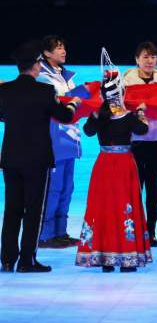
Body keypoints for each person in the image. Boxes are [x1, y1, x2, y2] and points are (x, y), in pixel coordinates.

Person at [1, 40, 81, 273]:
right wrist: (74, 104)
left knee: (12, 210)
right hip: (37, 159)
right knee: (33, 210)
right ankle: (27, 260)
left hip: (10, 157)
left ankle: (7, 260)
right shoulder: (44, 91)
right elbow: (65, 117)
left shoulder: (4, 90)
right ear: (36, 65)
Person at [75, 69, 152, 273]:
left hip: (104, 164)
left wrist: (94, 113)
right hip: (124, 163)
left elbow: (88, 131)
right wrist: (141, 113)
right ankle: (127, 258)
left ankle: (105, 258)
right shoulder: (128, 116)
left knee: (104, 207)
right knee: (125, 206)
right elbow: (143, 129)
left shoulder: (98, 115)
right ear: (121, 93)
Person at [37, 35, 90, 249]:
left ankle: (61, 232)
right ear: (46, 53)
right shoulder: (41, 75)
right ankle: (45, 235)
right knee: (53, 188)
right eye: (58, 48)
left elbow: (73, 104)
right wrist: (74, 98)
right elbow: (56, 102)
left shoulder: (67, 75)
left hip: (70, 139)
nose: (63, 51)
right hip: (53, 140)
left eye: (64, 47)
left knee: (67, 188)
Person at [123, 41, 157, 247]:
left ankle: (151, 231)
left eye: (153, 57)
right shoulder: (126, 82)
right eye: (145, 57)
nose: (150, 61)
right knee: (135, 186)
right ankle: (134, 230)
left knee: (152, 186)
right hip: (134, 140)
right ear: (137, 59)